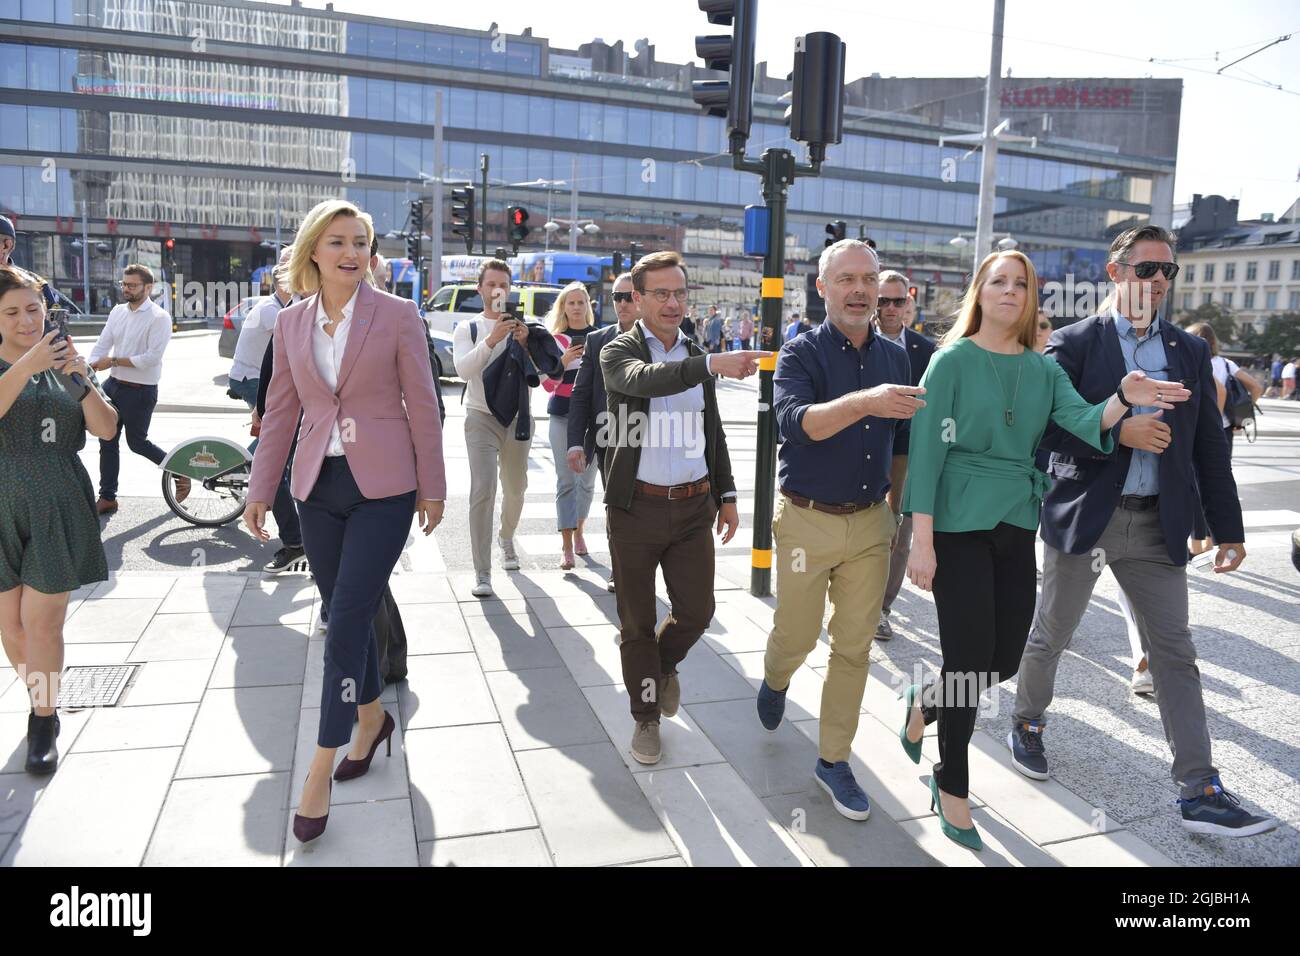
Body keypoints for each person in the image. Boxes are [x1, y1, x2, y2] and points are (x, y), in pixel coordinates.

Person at [899, 248, 1189, 851]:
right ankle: (951, 784)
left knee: (1001, 662)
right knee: (970, 661)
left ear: (1032, 297)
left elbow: (1086, 423)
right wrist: (919, 544)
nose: (1009, 291)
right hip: (954, 523)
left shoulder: (1042, 368)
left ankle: (925, 700)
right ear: (979, 291)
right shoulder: (949, 362)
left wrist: (1124, 397)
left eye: (1020, 284)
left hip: (1014, 519)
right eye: (998, 281)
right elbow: (925, 455)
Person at [1010, 224, 1276, 838]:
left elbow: (1210, 446)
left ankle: (1200, 790)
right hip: (1087, 517)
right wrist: (1114, 431)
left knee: (1175, 655)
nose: (1156, 281)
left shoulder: (1187, 350)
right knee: (1053, 633)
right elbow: (1040, 432)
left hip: (1158, 526)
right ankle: (1026, 720)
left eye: (1166, 271)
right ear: (1115, 272)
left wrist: (1227, 527)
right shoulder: (1075, 345)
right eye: (1144, 269)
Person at [244, 199, 445, 844]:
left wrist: (433, 487)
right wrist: (259, 487)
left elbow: (423, 404)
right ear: (314, 253)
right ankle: (371, 718)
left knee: (347, 618)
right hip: (316, 489)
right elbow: (281, 411)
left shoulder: (398, 315)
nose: (352, 253)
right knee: (342, 609)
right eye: (338, 242)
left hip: (384, 488)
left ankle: (320, 766)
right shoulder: (292, 324)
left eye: (361, 242)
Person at [757, 240, 921, 820]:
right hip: (806, 521)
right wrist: (865, 401)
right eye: (846, 279)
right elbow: (798, 426)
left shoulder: (895, 358)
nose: (859, 290)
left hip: (872, 524)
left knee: (853, 648)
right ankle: (776, 678)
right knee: (798, 636)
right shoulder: (800, 353)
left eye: (868, 280)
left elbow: (903, 443)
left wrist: (906, 517)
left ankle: (834, 761)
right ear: (822, 286)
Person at [601, 250, 764, 765]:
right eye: (661, 294)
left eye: (680, 293)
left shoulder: (694, 350)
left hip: (694, 506)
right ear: (639, 298)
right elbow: (645, 380)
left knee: (697, 611)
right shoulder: (617, 350)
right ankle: (645, 717)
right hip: (636, 510)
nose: (673, 303)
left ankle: (661, 669)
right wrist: (709, 363)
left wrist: (729, 495)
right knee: (636, 623)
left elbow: (710, 432)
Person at [0, 265, 119, 773]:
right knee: (11, 626)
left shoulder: (66, 362)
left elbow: (109, 429)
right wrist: (25, 366)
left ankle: (43, 717)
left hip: (59, 500)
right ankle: (39, 697)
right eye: (12, 312)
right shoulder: (21, 364)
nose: (27, 320)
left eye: (34, 309)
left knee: (42, 624)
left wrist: (80, 381)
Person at [452, 260, 533, 598]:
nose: (498, 290)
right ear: (480, 289)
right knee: (483, 491)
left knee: (515, 489)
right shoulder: (467, 328)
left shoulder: (524, 326)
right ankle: (482, 572)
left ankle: (506, 537)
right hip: (480, 418)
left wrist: (526, 346)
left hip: (516, 418)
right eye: (492, 284)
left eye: (504, 285)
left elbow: (540, 377)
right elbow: (461, 371)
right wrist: (491, 340)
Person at [88, 264, 185, 516]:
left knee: (137, 443)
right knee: (107, 439)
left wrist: (114, 361)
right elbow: (102, 344)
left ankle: (178, 471)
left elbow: (151, 358)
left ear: (148, 287)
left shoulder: (159, 317)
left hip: (140, 391)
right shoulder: (118, 311)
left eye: (132, 285)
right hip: (113, 385)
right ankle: (107, 497)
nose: (126, 289)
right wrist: (88, 367)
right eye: (124, 284)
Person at [872, 271, 936, 641]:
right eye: (883, 301)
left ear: (908, 304)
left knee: (898, 529)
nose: (890, 308)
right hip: (860, 447)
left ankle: (882, 608)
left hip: (906, 452)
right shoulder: (858, 341)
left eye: (898, 301)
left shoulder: (925, 350)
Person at [568, 272, 638, 591]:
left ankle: (642, 566)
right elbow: (581, 393)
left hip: (653, 438)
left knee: (646, 508)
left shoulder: (661, 338)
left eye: (629, 296)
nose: (622, 303)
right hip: (610, 437)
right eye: (617, 297)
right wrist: (575, 444)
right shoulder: (598, 340)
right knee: (617, 507)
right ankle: (620, 569)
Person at [541, 282, 597, 569]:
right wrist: (562, 362)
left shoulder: (599, 337)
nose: (576, 307)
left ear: (588, 306)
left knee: (586, 482)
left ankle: (579, 531)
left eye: (581, 302)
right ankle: (566, 547)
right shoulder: (555, 340)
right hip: (561, 414)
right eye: (570, 303)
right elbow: (547, 384)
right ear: (563, 307)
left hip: (591, 418)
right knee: (566, 480)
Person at [229, 246, 295, 411]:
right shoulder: (270, 309)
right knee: (275, 424)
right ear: (280, 284)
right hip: (250, 378)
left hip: (254, 375)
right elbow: (294, 344)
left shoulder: (281, 306)